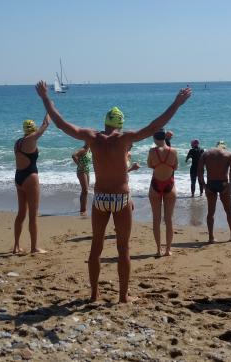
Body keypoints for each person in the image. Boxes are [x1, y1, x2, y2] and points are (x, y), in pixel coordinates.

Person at [35, 80, 191, 303]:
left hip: (100, 197)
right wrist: (176, 104)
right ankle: (123, 296)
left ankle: (94, 294)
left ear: (105, 122)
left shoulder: (92, 137)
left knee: (96, 247)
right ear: (120, 124)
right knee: (123, 248)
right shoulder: (124, 138)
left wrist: (45, 98)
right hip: (121, 198)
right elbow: (154, 126)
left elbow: (61, 124)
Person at [12, 114, 50, 254]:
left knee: (21, 212)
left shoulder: (18, 142)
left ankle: (16, 246)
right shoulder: (32, 139)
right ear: (33, 129)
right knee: (33, 214)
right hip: (30, 177)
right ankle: (34, 247)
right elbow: (45, 125)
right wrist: (49, 110)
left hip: (18, 177)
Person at [198, 141, 231, 243]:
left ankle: (211, 237)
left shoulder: (206, 153)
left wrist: (204, 185)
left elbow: (200, 170)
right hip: (223, 184)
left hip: (211, 184)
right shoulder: (229, 154)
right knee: (229, 211)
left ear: (216, 146)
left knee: (211, 212)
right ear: (224, 147)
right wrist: (230, 184)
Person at [147, 129, 178, 257]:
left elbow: (150, 165)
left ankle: (158, 250)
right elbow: (175, 167)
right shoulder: (173, 151)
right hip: (169, 185)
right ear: (165, 137)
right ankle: (168, 250)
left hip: (155, 184)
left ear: (155, 138)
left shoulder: (152, 151)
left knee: (156, 219)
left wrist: (159, 164)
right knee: (168, 219)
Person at [72, 143, 92, 217]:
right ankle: (82, 210)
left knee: (85, 191)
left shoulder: (89, 150)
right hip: (81, 171)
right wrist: (79, 165)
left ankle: (84, 208)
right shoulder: (83, 149)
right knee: (85, 190)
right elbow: (74, 155)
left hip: (87, 170)